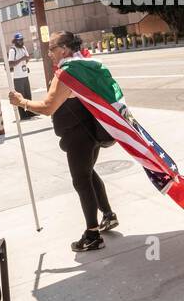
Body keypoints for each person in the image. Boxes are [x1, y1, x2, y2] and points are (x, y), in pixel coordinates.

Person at [9, 32, 118, 251]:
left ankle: (92, 235)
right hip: (92, 132)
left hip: (78, 136)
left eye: (51, 48)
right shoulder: (85, 64)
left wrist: (22, 102)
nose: (48, 53)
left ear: (65, 49)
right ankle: (108, 214)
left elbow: (49, 107)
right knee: (88, 173)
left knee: (81, 181)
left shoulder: (67, 74)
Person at [7, 33, 37, 120]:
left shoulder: (24, 48)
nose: (20, 41)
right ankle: (23, 116)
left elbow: (26, 60)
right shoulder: (13, 50)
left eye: (21, 40)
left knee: (28, 95)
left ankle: (30, 113)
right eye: (19, 40)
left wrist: (27, 59)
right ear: (15, 41)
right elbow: (10, 64)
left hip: (25, 75)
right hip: (18, 78)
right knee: (20, 97)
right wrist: (22, 59)